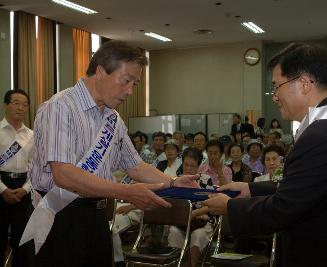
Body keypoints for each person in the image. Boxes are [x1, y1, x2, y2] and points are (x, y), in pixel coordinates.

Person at [204, 43, 327, 266]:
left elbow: (284, 208)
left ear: (305, 83)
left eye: (277, 86)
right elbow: (306, 187)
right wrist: (249, 189)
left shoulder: (322, 135)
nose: (274, 96)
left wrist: (229, 207)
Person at [24, 41, 198, 267]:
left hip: (97, 215)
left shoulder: (112, 118)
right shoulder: (60, 107)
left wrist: (172, 182)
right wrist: (126, 191)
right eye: (126, 81)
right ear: (100, 71)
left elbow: (135, 166)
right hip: (58, 215)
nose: (130, 92)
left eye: (135, 84)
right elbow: (63, 175)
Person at [0, 89, 34, 267]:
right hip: (1, 186)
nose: (21, 107)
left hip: (23, 188)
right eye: (16, 103)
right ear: (6, 105)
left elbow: (35, 167)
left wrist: (26, 189)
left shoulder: (31, 135)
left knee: (23, 241)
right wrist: (3, 190)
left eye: (25, 104)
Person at [168, 148, 214, 267]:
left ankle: (193, 265)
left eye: (192, 166)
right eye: (186, 165)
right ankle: (178, 263)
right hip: (181, 221)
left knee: (198, 235)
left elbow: (210, 205)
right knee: (173, 232)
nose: (188, 168)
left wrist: (193, 214)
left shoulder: (205, 180)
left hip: (202, 220)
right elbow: (173, 205)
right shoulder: (176, 181)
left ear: (199, 166)